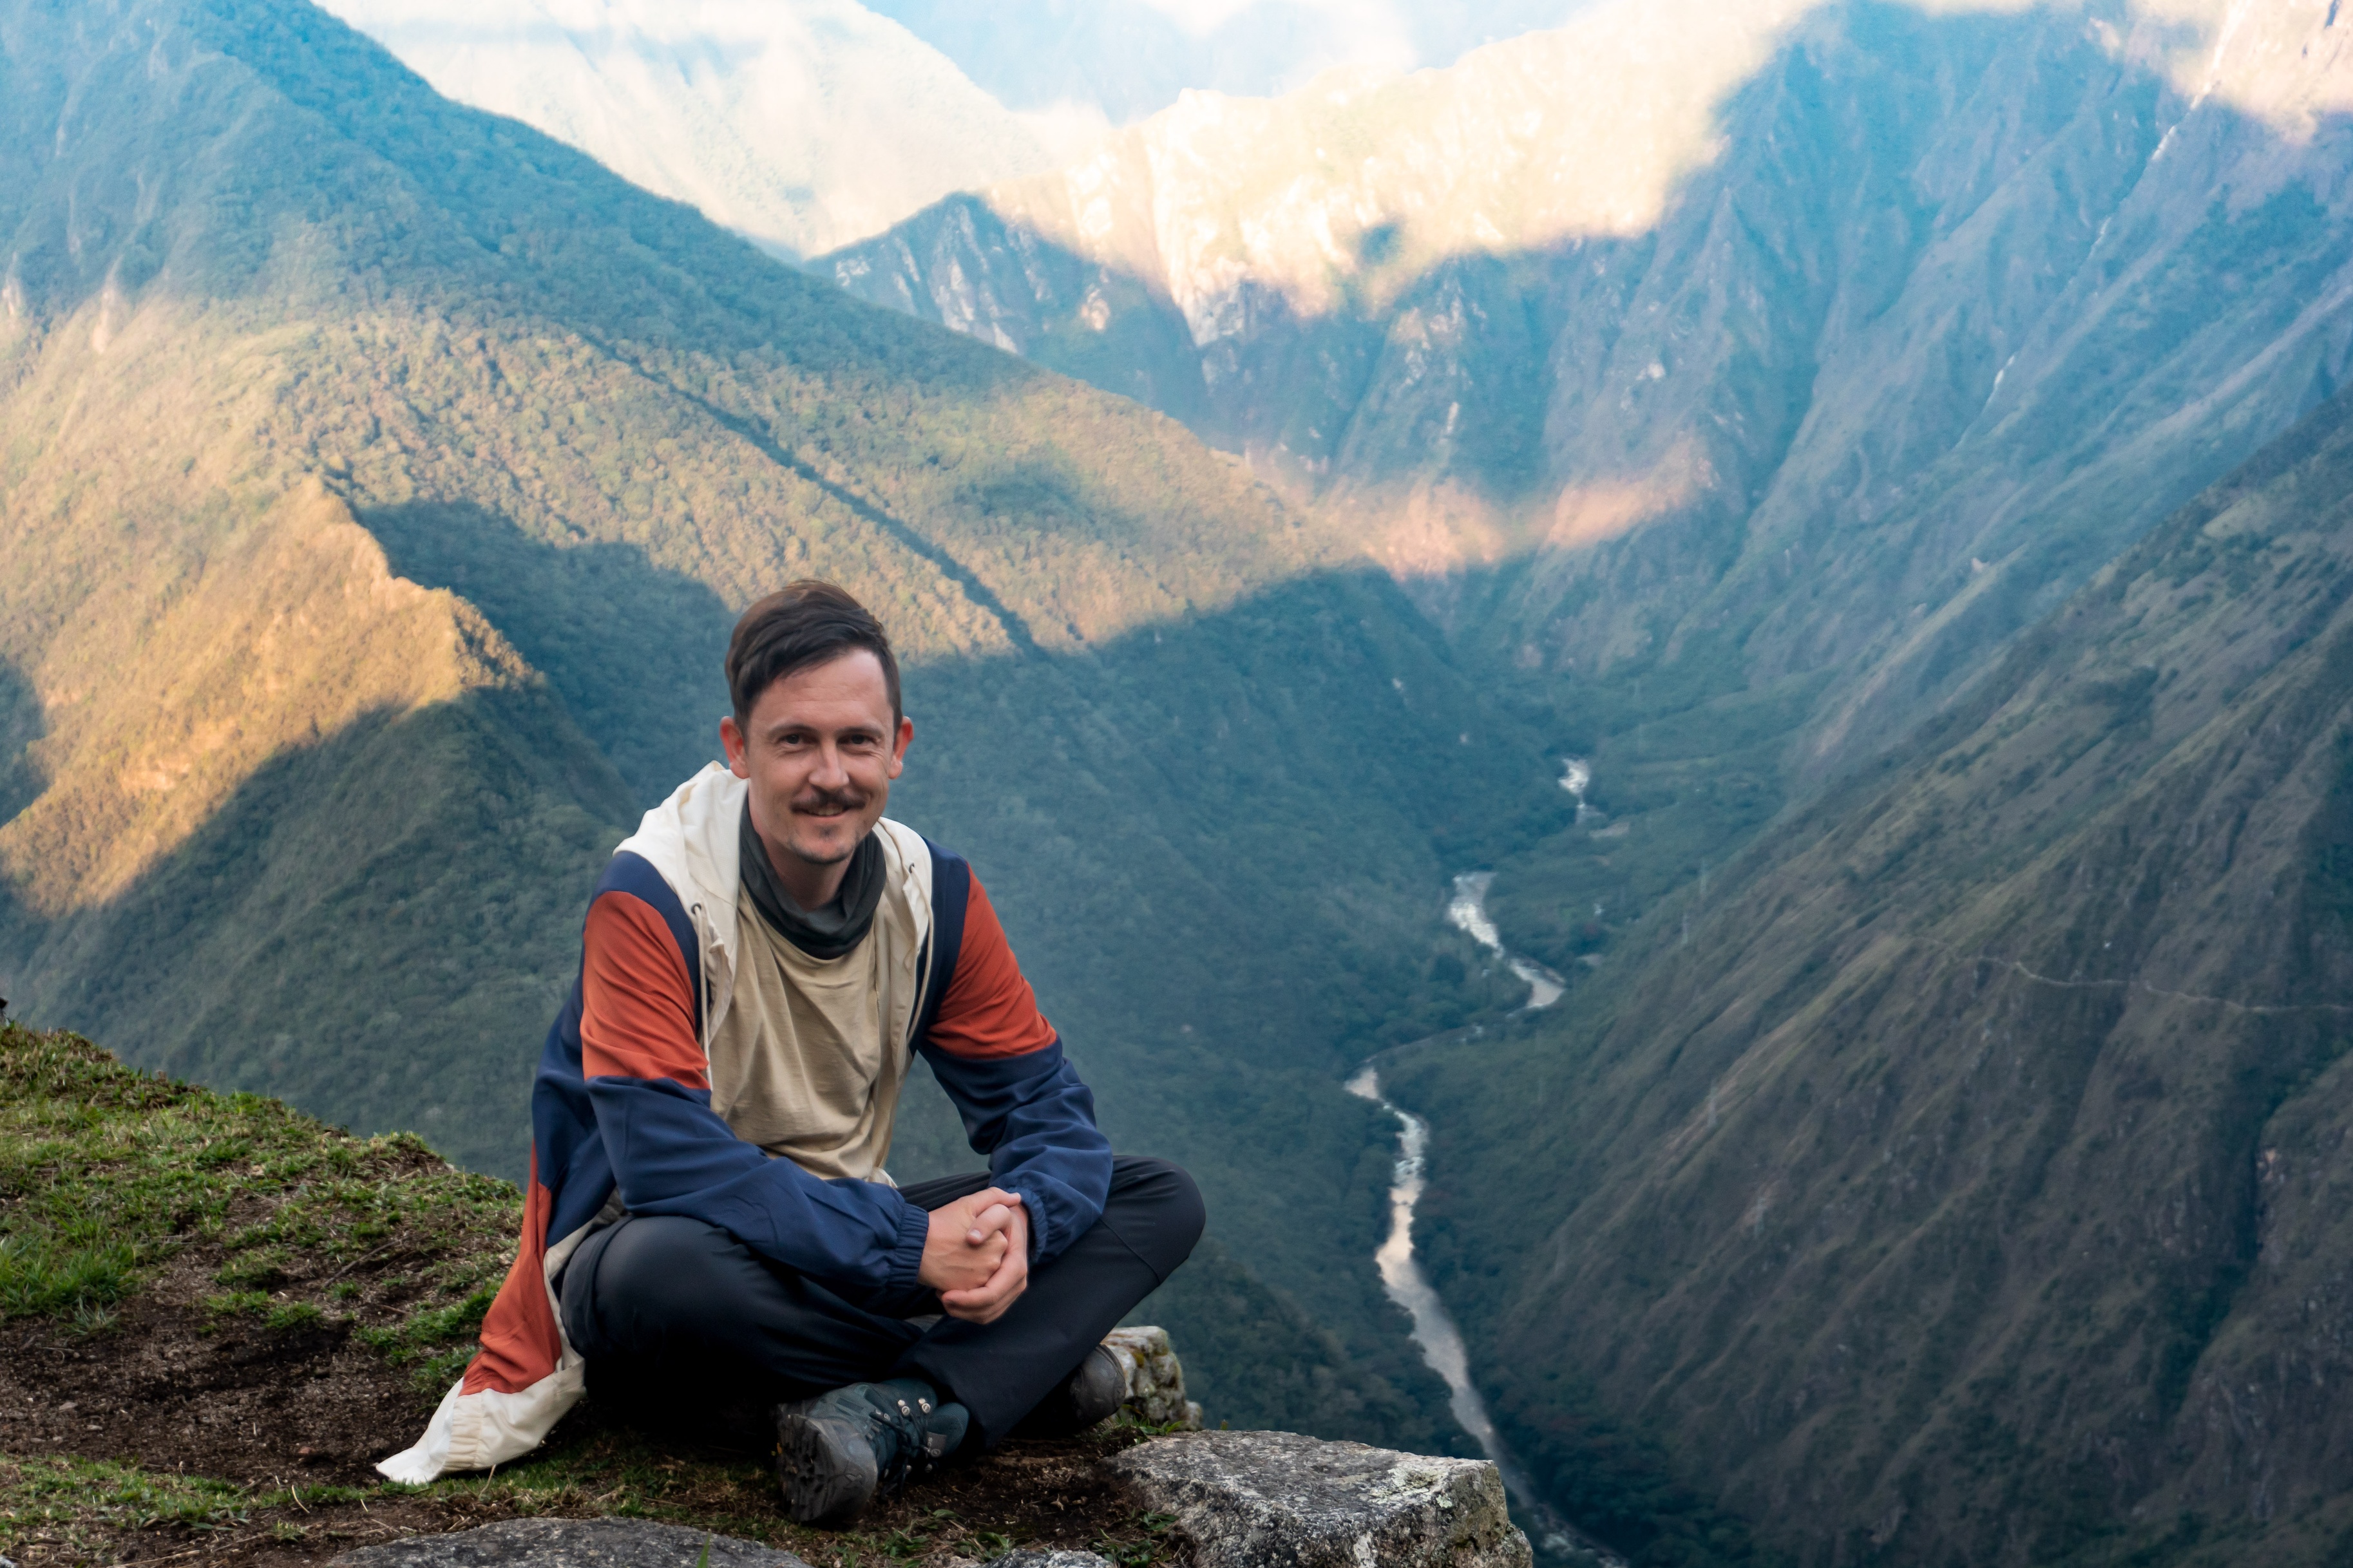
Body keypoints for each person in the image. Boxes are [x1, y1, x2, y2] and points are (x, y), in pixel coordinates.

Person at [377, 581, 1205, 1524]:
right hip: (667, 1245)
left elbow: (1044, 1107)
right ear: (737, 750)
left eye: (856, 741)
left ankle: (909, 1405)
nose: (829, 773)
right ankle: (1009, 1377)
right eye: (793, 741)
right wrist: (909, 1253)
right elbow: (666, 1165)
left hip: (842, 1232)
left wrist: (1023, 1223)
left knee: (1156, 1197)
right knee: (665, 1273)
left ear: (898, 746)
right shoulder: (652, 899)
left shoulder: (934, 896)